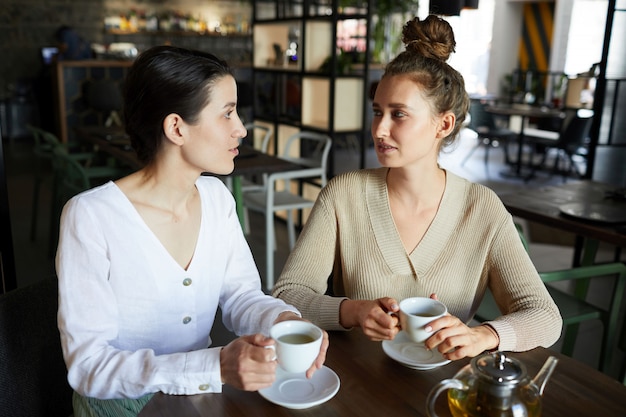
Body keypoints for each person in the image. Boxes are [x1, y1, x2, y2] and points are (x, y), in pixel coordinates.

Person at [56, 45, 328, 415]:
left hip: (200, 396)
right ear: (176, 127)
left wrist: (285, 321)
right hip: (122, 407)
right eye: (227, 114)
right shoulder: (90, 217)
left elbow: (240, 295)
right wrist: (214, 366)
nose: (242, 129)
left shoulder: (216, 197)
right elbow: (89, 366)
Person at [272, 15, 562, 361]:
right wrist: (352, 311)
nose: (379, 129)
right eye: (377, 112)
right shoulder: (343, 194)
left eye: (399, 114)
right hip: (356, 384)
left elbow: (545, 317)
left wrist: (482, 335)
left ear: (444, 124)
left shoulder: (482, 208)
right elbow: (288, 295)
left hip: (446, 387)